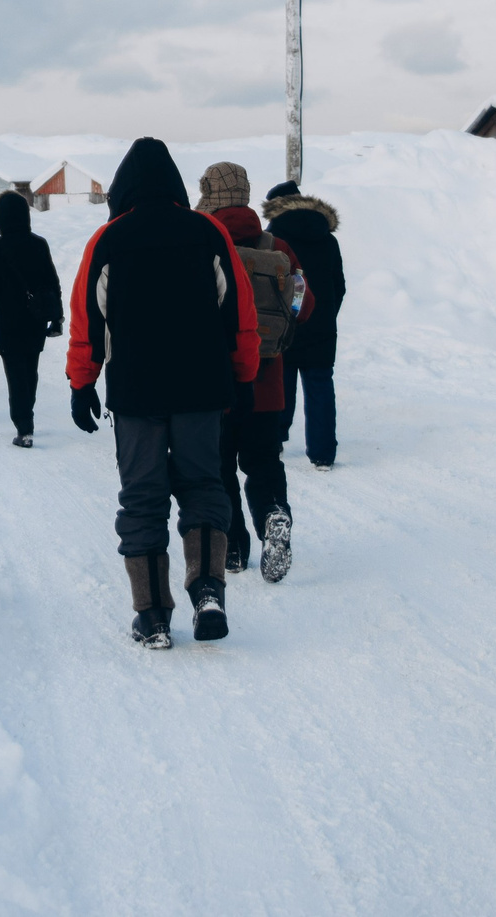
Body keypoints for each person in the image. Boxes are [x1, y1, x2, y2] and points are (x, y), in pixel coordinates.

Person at [67, 138, 261, 649]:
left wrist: (82, 381)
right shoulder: (207, 231)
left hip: (136, 393)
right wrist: (243, 376)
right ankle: (208, 591)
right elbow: (238, 311)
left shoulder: (108, 239)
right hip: (201, 389)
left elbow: (89, 318)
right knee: (202, 485)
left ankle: (152, 616)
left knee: (142, 497)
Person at [199, 163, 299, 583]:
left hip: (217, 384)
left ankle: (234, 550)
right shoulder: (278, 244)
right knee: (263, 462)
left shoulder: (202, 240)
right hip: (268, 383)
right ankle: (274, 515)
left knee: (219, 467)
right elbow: (302, 304)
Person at [263, 179, 345, 471]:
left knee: (281, 381)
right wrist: (325, 314)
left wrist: (286, 313)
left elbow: (272, 284)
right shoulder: (327, 238)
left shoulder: (273, 238)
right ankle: (322, 455)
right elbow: (339, 286)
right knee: (320, 385)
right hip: (322, 325)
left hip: (286, 323)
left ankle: (277, 439)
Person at [0, 189, 63, 447]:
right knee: (30, 372)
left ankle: (24, 427)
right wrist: (57, 319)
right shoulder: (39, 244)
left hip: (8, 322)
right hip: (35, 319)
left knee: (15, 375)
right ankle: (27, 419)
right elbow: (52, 283)